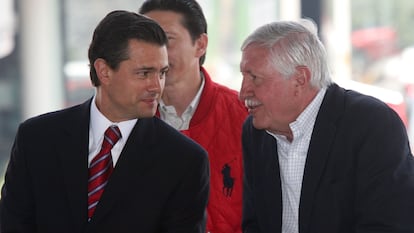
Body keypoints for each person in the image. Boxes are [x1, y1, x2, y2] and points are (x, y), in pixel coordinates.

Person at [0, 10, 210, 233]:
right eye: (144, 73)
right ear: (104, 71)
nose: (156, 86)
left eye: (161, 73)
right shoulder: (36, 139)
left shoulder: (185, 161)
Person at [239, 18, 414, 233]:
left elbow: (390, 225)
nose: (242, 92)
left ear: (300, 79)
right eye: (243, 76)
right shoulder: (255, 132)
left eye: (254, 78)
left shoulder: (373, 125)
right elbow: (253, 224)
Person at [139, 1, 248, 233]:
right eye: (145, 40)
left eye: (167, 39)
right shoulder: (127, 119)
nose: (154, 52)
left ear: (200, 44)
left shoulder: (245, 115)